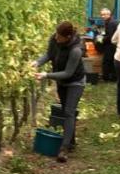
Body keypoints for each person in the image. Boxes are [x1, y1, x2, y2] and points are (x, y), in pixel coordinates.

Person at [36, 20, 85, 163]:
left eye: (59, 36)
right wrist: (37, 62)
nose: (56, 38)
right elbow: (49, 55)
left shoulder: (76, 50)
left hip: (75, 82)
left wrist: (46, 75)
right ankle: (71, 141)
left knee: (69, 111)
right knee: (65, 110)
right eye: (56, 35)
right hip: (62, 81)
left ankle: (64, 149)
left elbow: (68, 73)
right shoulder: (55, 38)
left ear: (68, 37)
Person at [98, 7, 118, 84]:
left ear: (109, 14)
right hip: (113, 44)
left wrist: (101, 39)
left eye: (104, 15)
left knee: (107, 61)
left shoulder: (111, 23)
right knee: (111, 61)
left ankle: (106, 77)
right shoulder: (109, 22)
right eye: (101, 15)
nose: (102, 16)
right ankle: (112, 77)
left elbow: (110, 36)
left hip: (111, 45)